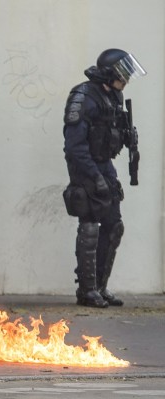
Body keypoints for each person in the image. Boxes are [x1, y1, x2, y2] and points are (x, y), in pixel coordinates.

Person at [62, 48, 146, 308]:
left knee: (114, 225)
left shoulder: (115, 95)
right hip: (85, 166)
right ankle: (86, 291)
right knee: (89, 223)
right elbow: (74, 146)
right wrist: (92, 176)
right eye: (123, 74)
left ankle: (100, 286)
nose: (126, 79)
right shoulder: (83, 96)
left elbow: (111, 130)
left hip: (105, 165)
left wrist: (127, 137)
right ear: (109, 74)